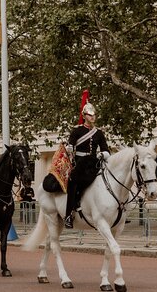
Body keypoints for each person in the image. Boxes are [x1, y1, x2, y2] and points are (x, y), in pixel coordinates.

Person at [64, 96, 110, 229]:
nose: (92, 117)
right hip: (80, 163)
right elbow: (70, 145)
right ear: (84, 116)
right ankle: (68, 215)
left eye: (94, 115)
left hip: (94, 162)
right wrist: (70, 148)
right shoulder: (77, 131)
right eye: (90, 115)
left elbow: (106, 150)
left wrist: (102, 154)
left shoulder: (99, 133)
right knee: (72, 182)